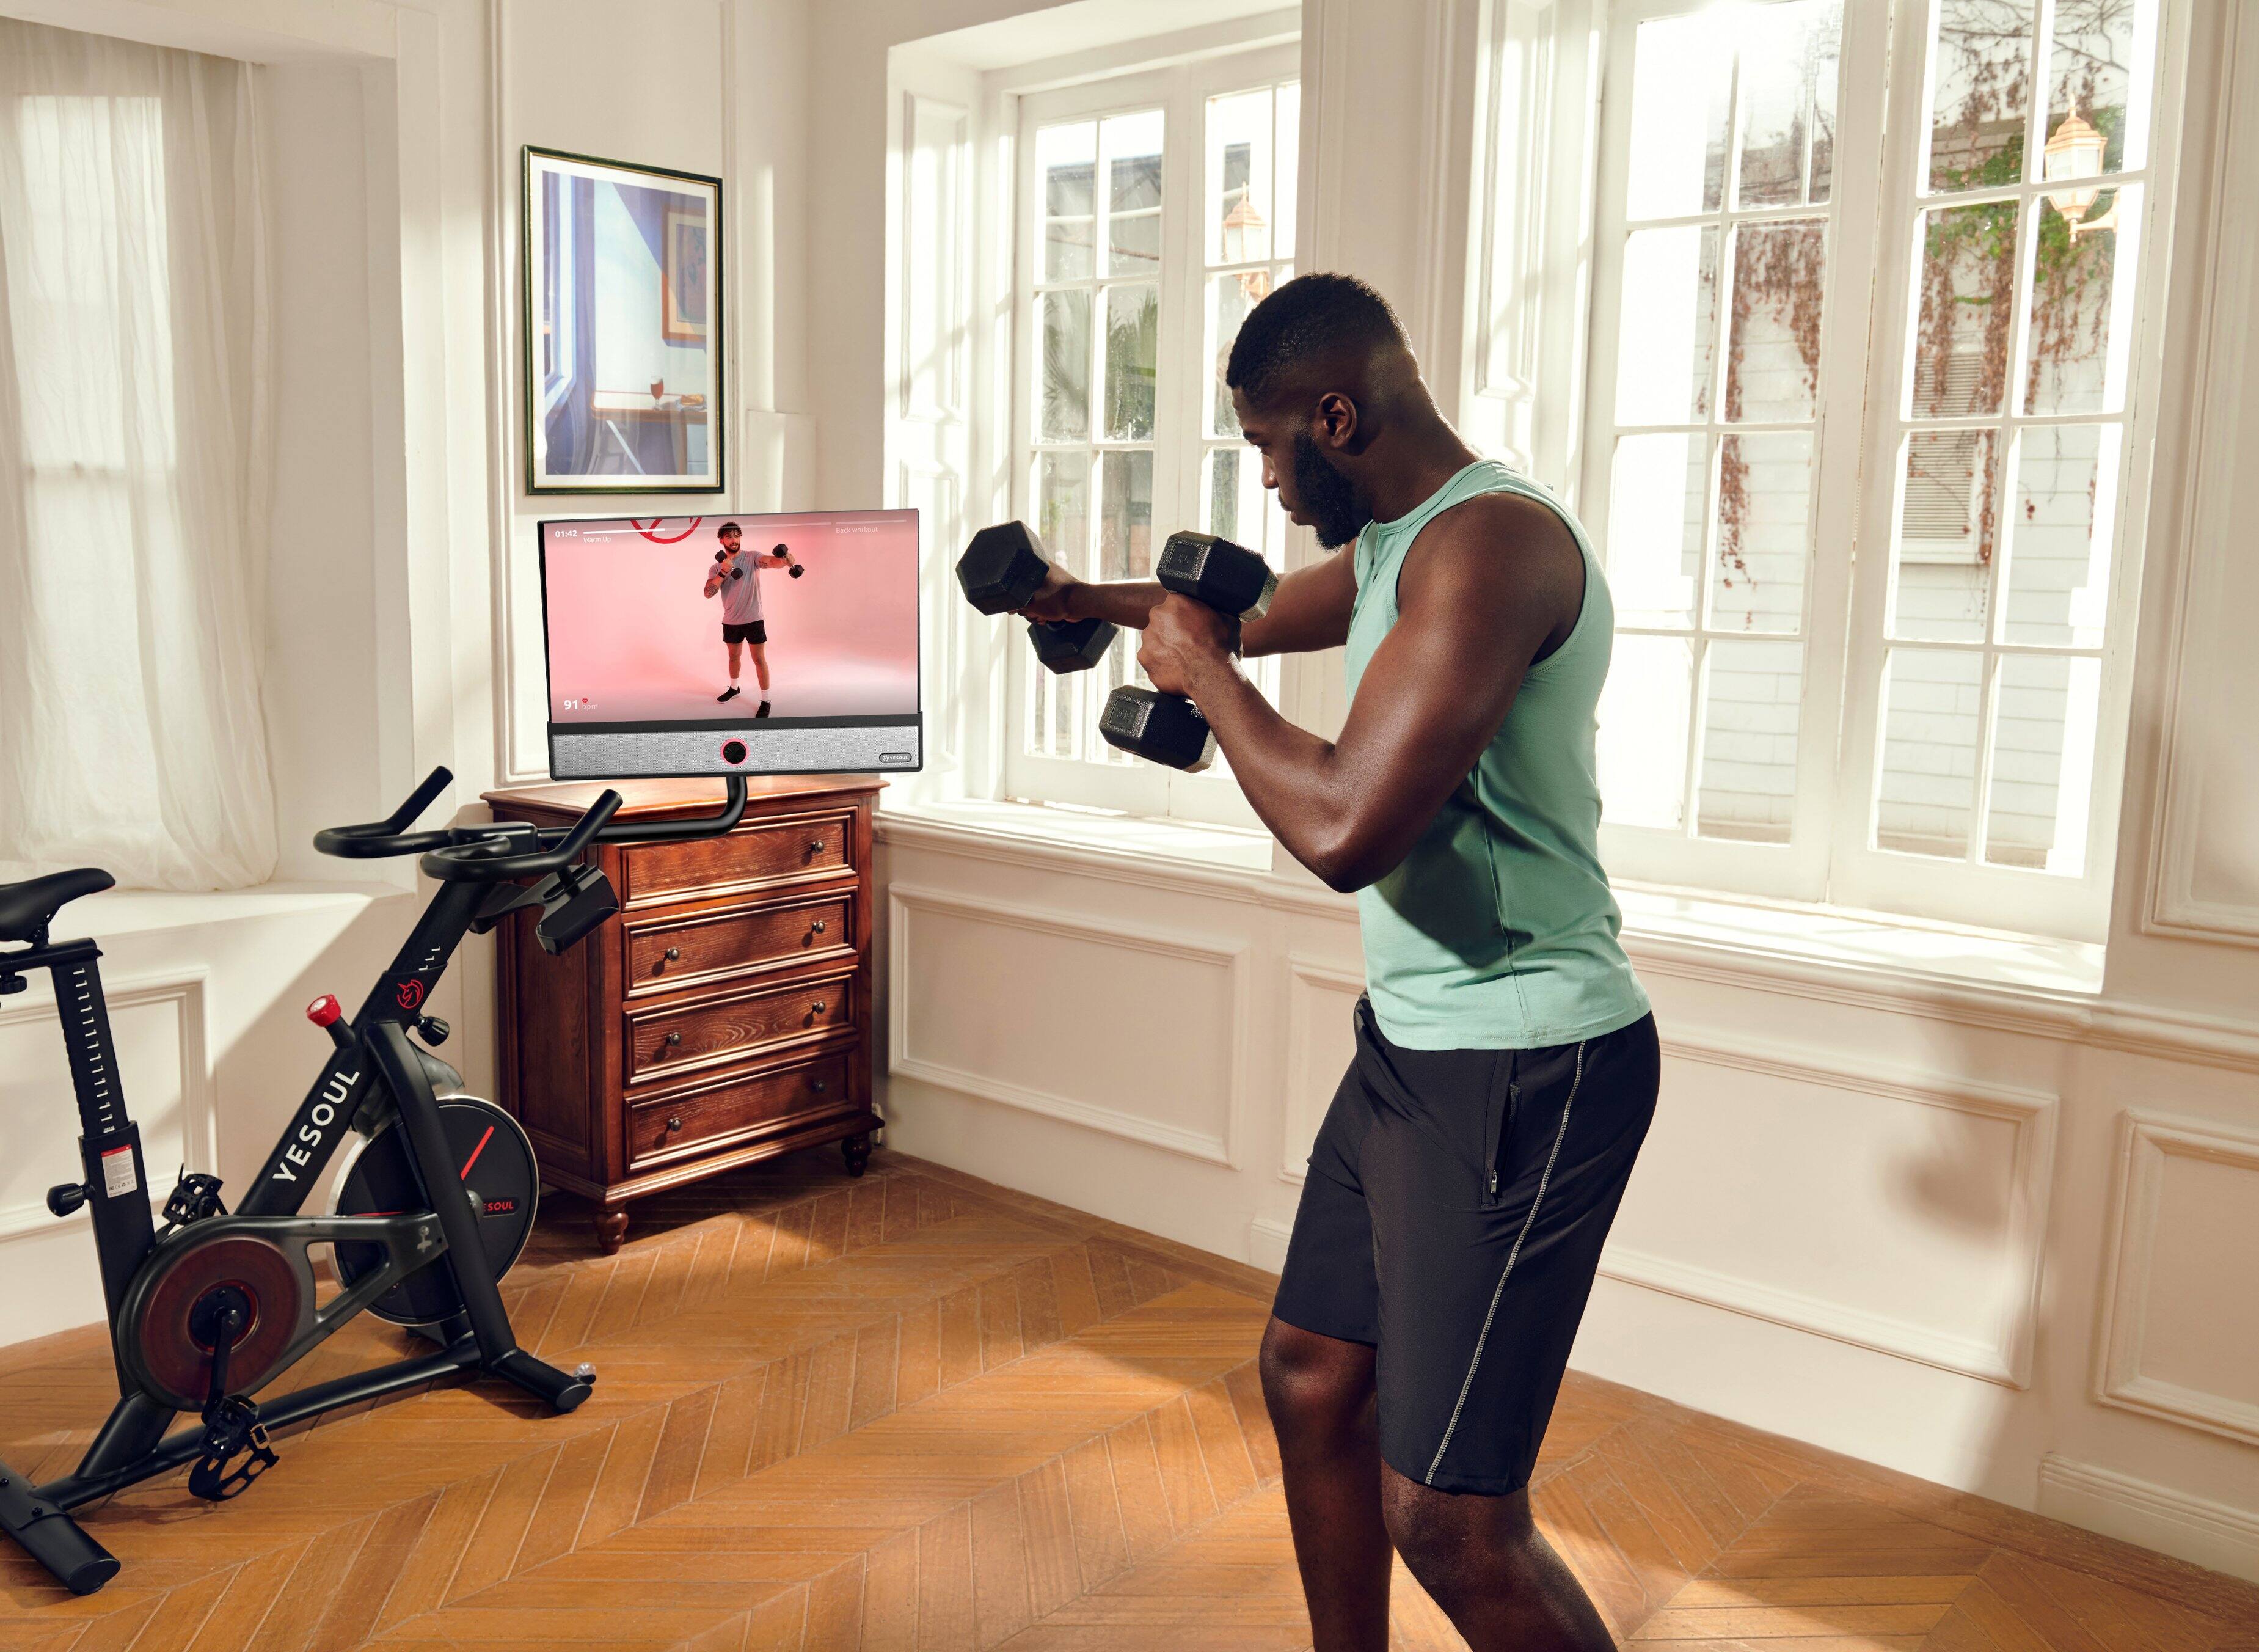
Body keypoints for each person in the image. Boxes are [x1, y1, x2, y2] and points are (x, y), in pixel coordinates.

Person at [1016, 272, 1657, 1652]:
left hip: (1527, 1058)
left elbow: (1346, 829)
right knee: (1312, 1376)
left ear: (1335, 416)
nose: (1263, 479)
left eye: (1265, 445)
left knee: (1451, 1516)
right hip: (1416, 1046)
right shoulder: (1396, 545)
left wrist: (1206, 682)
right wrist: (1080, 599)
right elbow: (1239, 617)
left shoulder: (1489, 546)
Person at [701, 522, 793, 709]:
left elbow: (771, 562)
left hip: (753, 619)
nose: (734, 540)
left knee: (759, 659)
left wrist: (784, 561)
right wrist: (723, 572)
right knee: (733, 656)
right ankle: (734, 688)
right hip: (731, 620)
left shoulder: (752, 557)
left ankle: (766, 700)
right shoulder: (716, 567)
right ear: (722, 541)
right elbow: (708, 593)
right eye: (729, 537)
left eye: (737, 536)